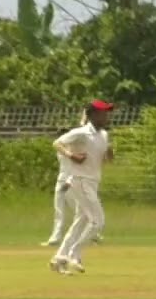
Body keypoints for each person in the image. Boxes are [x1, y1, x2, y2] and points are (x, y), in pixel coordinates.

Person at [49, 100, 114, 274]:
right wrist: (72, 155)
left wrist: (109, 153)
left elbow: (107, 159)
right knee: (98, 221)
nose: (106, 116)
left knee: (81, 221)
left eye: (107, 113)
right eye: (103, 113)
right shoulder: (82, 133)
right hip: (80, 181)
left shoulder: (104, 135)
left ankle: (58, 258)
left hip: (92, 181)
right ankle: (73, 254)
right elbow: (57, 143)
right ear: (92, 115)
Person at [44, 109, 105, 248]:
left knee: (81, 210)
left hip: (73, 179)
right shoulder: (63, 149)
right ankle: (55, 237)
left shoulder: (77, 147)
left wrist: (84, 118)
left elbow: (84, 131)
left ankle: (93, 235)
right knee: (58, 208)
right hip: (62, 178)